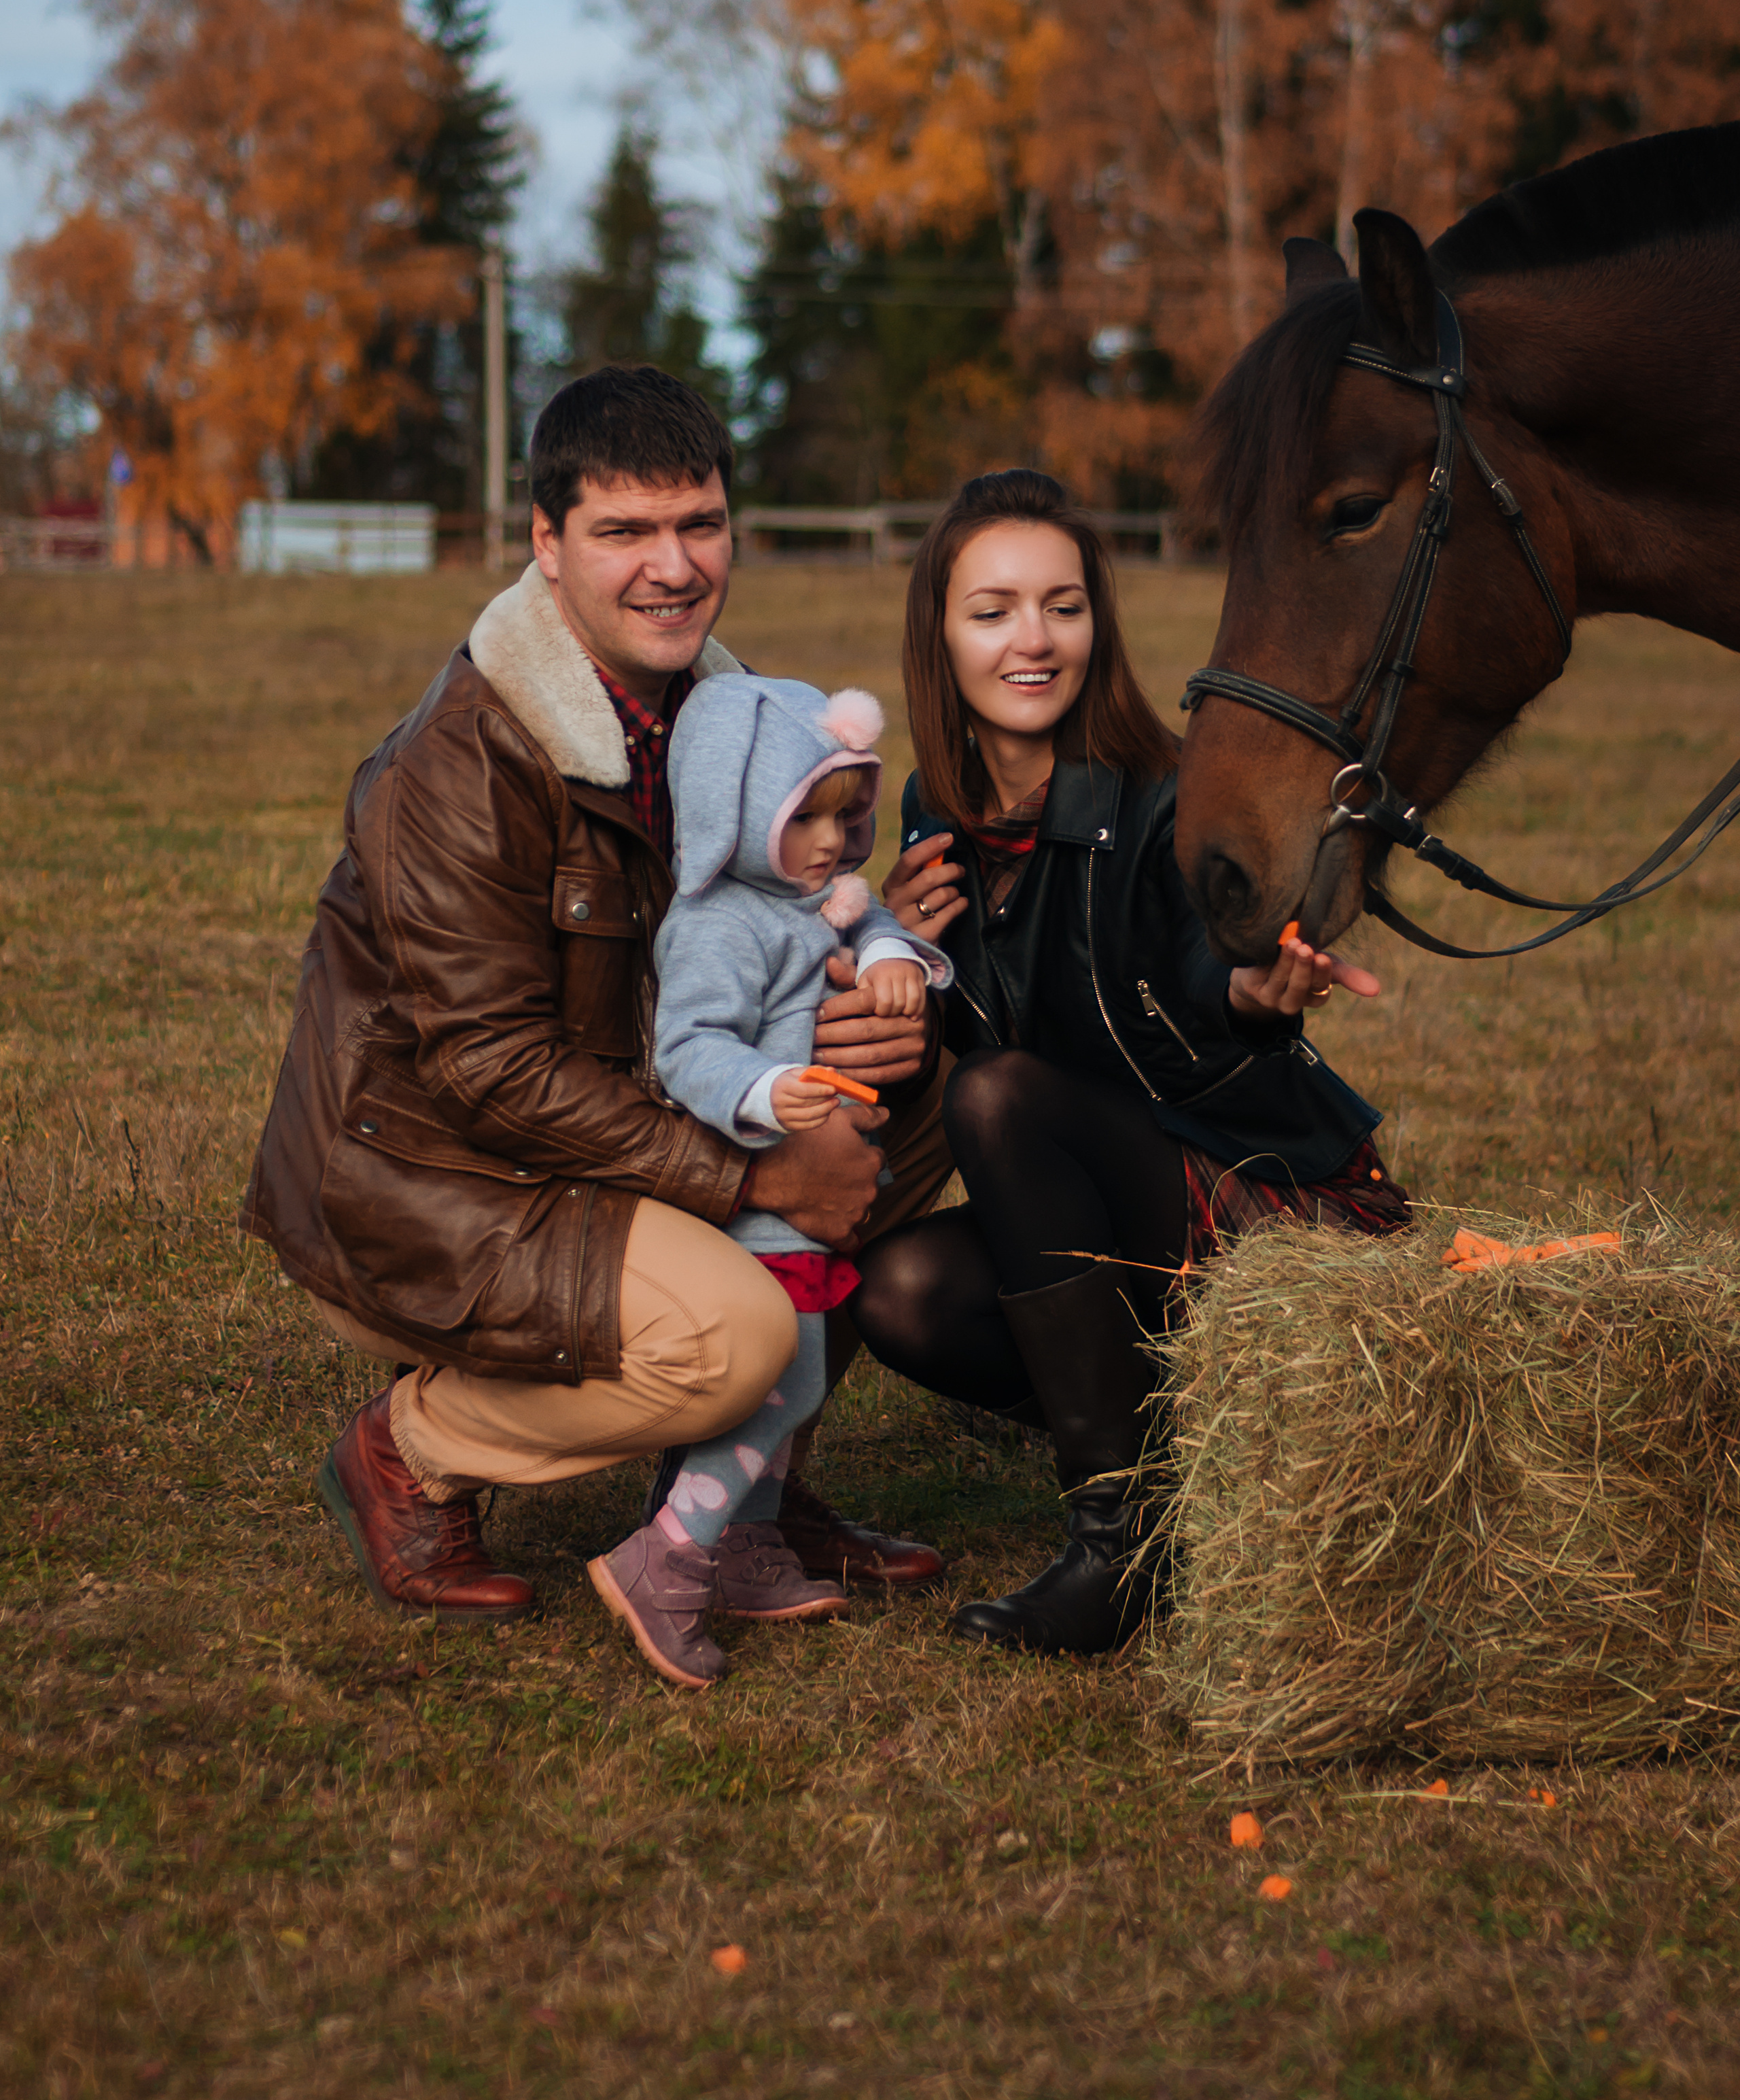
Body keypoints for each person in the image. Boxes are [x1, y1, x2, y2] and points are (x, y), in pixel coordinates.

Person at [243, 366, 947, 1626]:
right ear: (547, 542)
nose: (673, 567)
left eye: (700, 524)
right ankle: (411, 1448)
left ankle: (741, 1496)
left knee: (910, 1105)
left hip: (617, 1118)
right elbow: (491, 1072)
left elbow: (742, 938)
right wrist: (755, 1178)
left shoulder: (726, 714)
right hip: (438, 1175)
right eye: (625, 530)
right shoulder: (455, 765)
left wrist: (854, 996)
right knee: (734, 1333)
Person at [854, 468, 1410, 1659]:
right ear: (939, 634)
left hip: (1262, 1201)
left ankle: (1117, 1539)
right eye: (994, 609)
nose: (1034, 639)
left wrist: (1255, 991)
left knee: (997, 1097)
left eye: (1063, 605)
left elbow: (1211, 970)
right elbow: (935, 1062)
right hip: (1111, 1216)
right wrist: (897, 949)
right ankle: (1176, 1463)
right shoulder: (933, 811)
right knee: (899, 1289)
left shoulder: (1167, 795)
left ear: (1097, 624)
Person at [587, 676, 951, 1686]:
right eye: (806, 819)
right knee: (787, 1381)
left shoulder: (810, 898)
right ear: (735, 815)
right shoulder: (717, 926)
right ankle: (670, 1551)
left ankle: (747, 1544)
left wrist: (891, 956)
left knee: (802, 1371)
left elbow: (867, 922)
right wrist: (765, 1089)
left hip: (814, 1208)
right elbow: (688, 1048)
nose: (834, 843)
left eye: (847, 815)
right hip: (761, 1198)